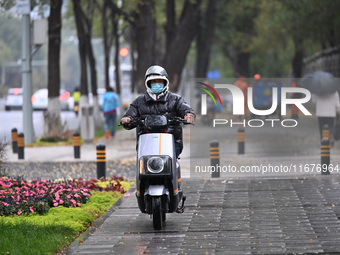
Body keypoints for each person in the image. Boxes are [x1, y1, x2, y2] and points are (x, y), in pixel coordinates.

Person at [121, 65, 195, 158]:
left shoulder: (175, 99)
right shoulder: (139, 102)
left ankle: (175, 172)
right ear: (148, 84)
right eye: (154, 82)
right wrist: (127, 119)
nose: (157, 84)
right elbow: (130, 114)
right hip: (146, 143)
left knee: (170, 162)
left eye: (160, 81)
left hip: (171, 142)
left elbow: (185, 109)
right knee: (142, 165)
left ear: (165, 83)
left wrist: (188, 115)